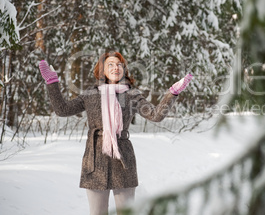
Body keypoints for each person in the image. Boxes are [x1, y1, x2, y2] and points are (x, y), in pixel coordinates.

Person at [38, 51, 193, 215]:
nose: (115, 67)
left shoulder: (131, 95)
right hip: (95, 161)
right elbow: (62, 110)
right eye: (110, 64)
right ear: (102, 70)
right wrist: (52, 81)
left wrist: (172, 93)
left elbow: (155, 115)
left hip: (123, 160)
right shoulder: (91, 94)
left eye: (119, 64)